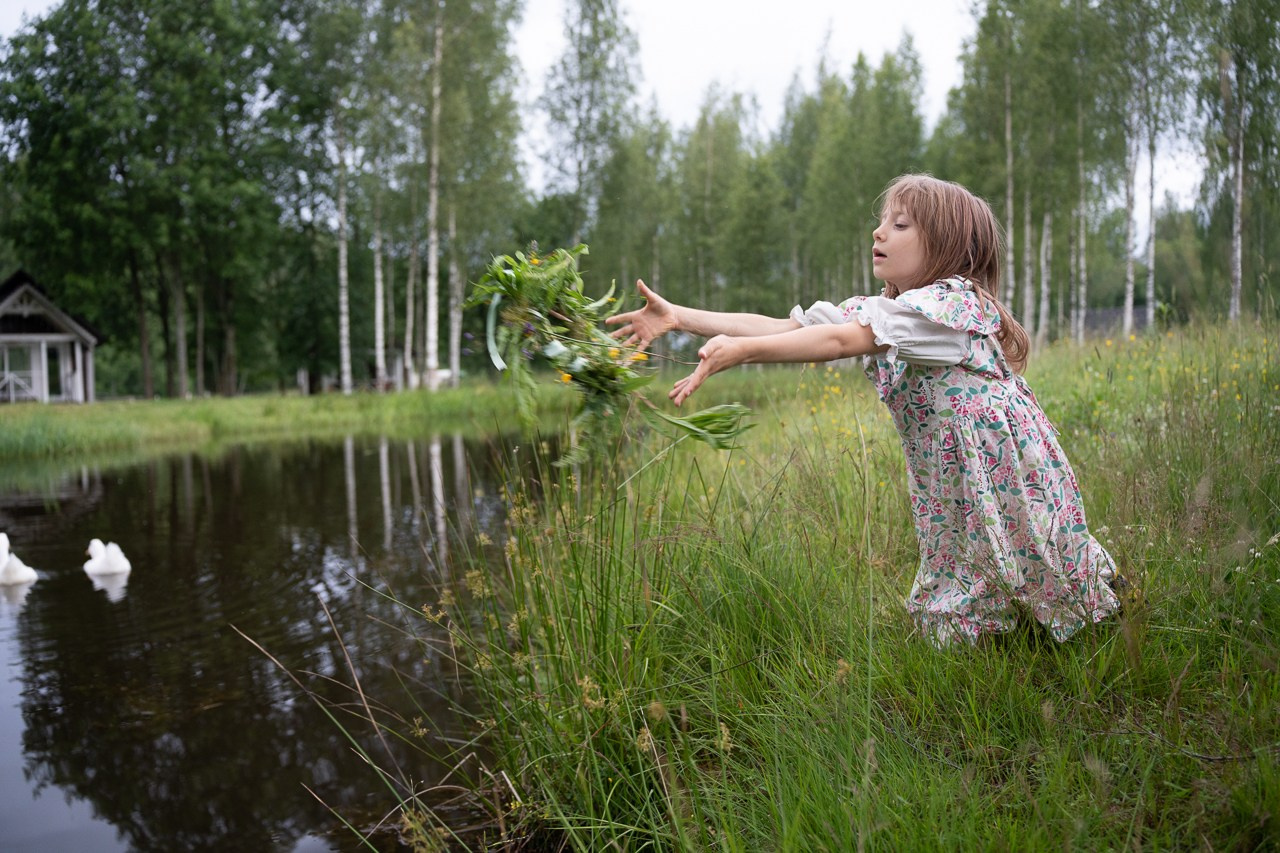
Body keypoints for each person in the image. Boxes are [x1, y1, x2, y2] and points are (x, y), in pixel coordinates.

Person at [607, 173, 1121, 647]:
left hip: (1000, 461)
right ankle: (996, 630)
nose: (879, 232)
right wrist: (679, 317)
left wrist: (743, 353)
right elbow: (788, 328)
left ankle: (1078, 617)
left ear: (947, 246)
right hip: (954, 472)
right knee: (973, 548)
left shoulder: (946, 307)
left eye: (900, 224)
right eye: (882, 222)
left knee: (1031, 537)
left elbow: (835, 342)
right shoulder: (890, 312)